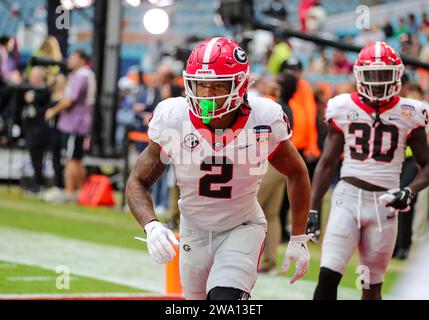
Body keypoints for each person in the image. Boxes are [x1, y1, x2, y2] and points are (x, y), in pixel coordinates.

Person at [126, 37, 313, 300]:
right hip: (194, 230)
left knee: (225, 300)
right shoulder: (174, 117)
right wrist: (152, 226)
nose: (207, 94)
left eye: (217, 86)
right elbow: (137, 181)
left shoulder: (263, 118)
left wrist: (298, 237)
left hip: (242, 226)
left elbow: (296, 171)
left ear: (240, 85)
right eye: (201, 85)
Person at [309, 41, 429, 300]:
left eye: (384, 75)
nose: (377, 82)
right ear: (359, 75)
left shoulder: (411, 112)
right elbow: (327, 162)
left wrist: (409, 190)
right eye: (372, 75)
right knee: (328, 274)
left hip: (386, 204)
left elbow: (427, 164)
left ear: (397, 76)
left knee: (371, 286)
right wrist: (313, 207)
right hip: (348, 198)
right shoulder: (343, 107)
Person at [45, 49, 96, 203]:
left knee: (71, 159)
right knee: (76, 159)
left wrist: (53, 110)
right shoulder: (84, 74)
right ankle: (83, 193)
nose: (70, 60)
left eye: (73, 57)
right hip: (78, 123)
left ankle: (70, 192)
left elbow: (70, 99)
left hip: (75, 123)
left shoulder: (82, 76)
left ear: (81, 59)